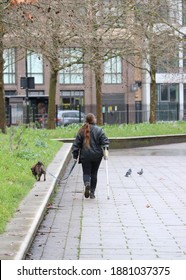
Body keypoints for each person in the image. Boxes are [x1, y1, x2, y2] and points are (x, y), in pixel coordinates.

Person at [72, 113, 109, 199]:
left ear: (86, 120)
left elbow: (76, 144)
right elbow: (105, 142)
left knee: (86, 173)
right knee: (94, 173)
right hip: (97, 156)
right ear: (94, 120)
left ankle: (87, 183)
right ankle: (92, 192)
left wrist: (75, 155)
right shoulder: (99, 130)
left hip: (85, 156)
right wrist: (106, 150)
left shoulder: (81, 130)